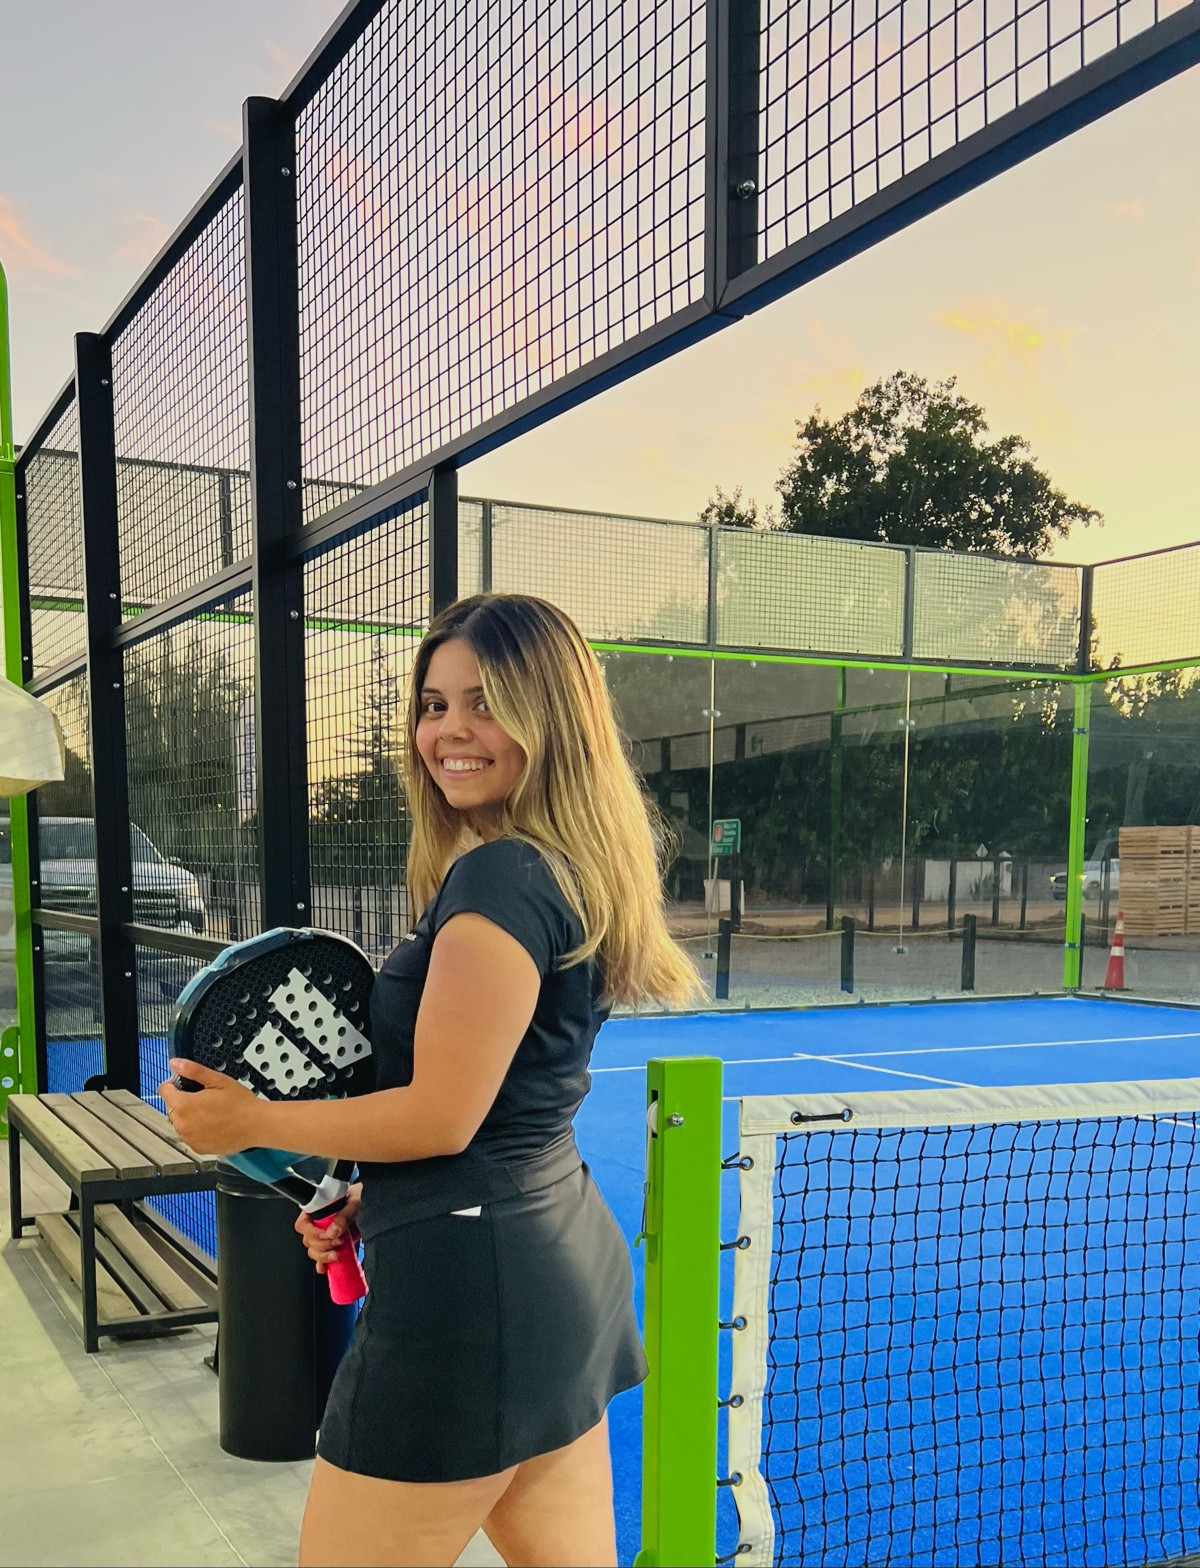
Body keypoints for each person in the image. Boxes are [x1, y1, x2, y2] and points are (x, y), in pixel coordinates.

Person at [162, 593, 702, 1568]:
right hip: (553, 1271)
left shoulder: (501, 879)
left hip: (467, 1309)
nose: (448, 729)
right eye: (434, 703)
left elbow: (443, 1116)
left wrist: (249, 1120)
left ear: (551, 717)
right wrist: (375, 1196)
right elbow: (500, 1109)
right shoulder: (562, 868)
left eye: (485, 702)